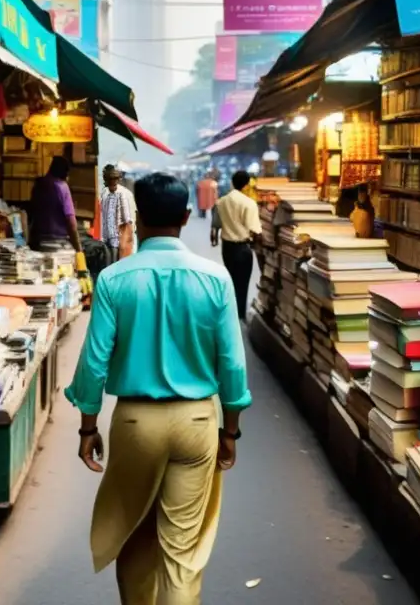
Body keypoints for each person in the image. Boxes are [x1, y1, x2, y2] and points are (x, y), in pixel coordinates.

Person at [65, 172, 251, 605]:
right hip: (198, 422)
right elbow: (232, 365)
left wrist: (87, 427)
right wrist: (230, 431)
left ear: (140, 217)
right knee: (182, 553)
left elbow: (94, 363)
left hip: (134, 422)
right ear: (187, 217)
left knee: (136, 536)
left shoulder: (114, 279)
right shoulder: (216, 278)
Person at [211, 170, 261, 321]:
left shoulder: (222, 201)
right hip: (243, 248)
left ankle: (229, 314)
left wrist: (214, 237)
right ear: (246, 185)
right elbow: (255, 230)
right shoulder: (249, 203)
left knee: (231, 280)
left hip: (227, 248)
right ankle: (240, 315)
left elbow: (215, 226)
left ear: (232, 182)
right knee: (243, 283)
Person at [28, 156, 83, 253]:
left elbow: (31, 214)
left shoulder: (38, 185)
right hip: (58, 244)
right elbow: (71, 223)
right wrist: (79, 250)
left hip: (37, 242)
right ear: (65, 173)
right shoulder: (62, 187)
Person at [100, 164, 134, 265]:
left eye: (114, 179)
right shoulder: (105, 194)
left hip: (116, 239)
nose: (113, 182)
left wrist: (126, 241)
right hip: (106, 238)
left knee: (115, 264)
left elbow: (127, 218)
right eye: (110, 179)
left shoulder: (121, 195)